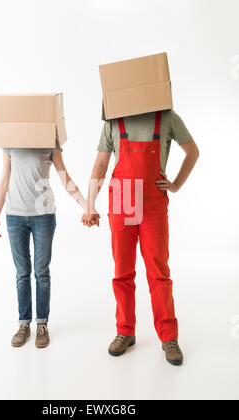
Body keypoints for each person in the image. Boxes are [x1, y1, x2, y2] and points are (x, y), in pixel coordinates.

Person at [82, 110, 199, 366]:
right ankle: (125, 331)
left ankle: (169, 337)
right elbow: (101, 165)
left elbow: (193, 151)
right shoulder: (114, 119)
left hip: (153, 202)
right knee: (122, 271)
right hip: (122, 198)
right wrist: (90, 204)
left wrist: (176, 184)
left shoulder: (166, 117)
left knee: (158, 272)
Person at [0, 145, 85, 348]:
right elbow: (5, 180)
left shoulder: (49, 140)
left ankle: (42, 324)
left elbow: (64, 177)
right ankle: (24, 324)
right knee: (22, 273)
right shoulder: (10, 141)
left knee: (41, 272)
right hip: (15, 216)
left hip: (43, 217)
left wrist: (87, 206)